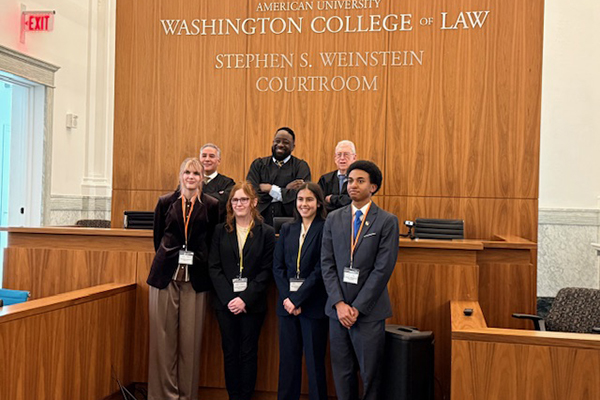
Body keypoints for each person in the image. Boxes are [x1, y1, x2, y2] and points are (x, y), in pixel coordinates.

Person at [321, 160, 399, 400]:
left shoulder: (386, 221)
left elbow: (382, 269)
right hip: (338, 310)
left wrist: (356, 308)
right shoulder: (333, 218)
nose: (353, 185)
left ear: (373, 187)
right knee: (342, 374)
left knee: (370, 375)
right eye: (350, 180)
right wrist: (339, 304)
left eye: (360, 181)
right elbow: (327, 264)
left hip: (368, 312)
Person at [146, 157, 219, 400]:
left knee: (190, 343)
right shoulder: (165, 202)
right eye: (187, 172)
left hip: (195, 279)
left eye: (196, 174)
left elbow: (210, 241)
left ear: (201, 179)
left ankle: (187, 396)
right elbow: (159, 239)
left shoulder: (211, 205)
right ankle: (163, 396)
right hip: (165, 277)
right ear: (180, 176)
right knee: (163, 342)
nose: (191, 177)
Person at [209, 181, 276, 400]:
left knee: (248, 353)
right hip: (225, 303)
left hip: (252, 304)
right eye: (235, 200)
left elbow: (266, 271)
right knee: (229, 353)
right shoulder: (220, 230)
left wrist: (244, 299)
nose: (239, 203)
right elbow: (214, 267)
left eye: (244, 199)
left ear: (254, 202)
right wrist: (231, 298)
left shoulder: (266, 232)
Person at [273, 182, 329, 400]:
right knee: (288, 362)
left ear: (318, 202)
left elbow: (321, 269)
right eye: (300, 200)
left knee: (315, 363)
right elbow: (277, 267)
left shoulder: (326, 227)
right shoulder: (287, 228)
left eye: (309, 199)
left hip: (312, 305)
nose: (304, 204)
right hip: (286, 306)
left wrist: (297, 299)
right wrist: (288, 299)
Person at [246, 127, 311, 226]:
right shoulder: (258, 164)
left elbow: (301, 196)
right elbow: (251, 193)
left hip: (291, 222)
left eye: (285, 142)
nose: (280, 145)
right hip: (260, 220)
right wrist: (285, 190)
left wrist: (271, 189)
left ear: (293, 146)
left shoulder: (301, 166)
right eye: (277, 141)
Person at [318, 140, 357, 213]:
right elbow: (320, 202)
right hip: (328, 218)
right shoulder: (325, 179)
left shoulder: (357, 180)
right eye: (339, 155)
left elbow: (354, 201)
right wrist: (343, 200)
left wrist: (332, 198)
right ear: (335, 158)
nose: (342, 158)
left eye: (346, 154)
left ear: (354, 158)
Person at [200, 143, 235, 222]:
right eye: (204, 156)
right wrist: (216, 195)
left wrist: (196, 197)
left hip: (218, 228)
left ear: (218, 161)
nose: (207, 159)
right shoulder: (190, 181)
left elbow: (222, 203)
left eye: (211, 156)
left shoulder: (228, 183)